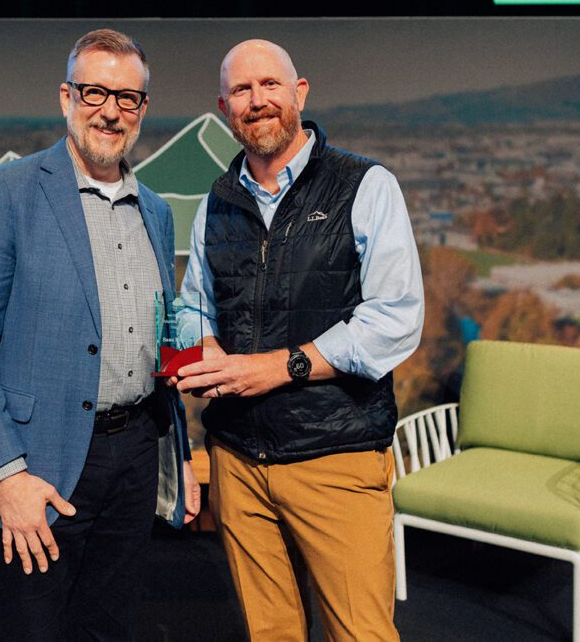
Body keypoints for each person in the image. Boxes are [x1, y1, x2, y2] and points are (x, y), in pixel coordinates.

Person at [0, 28, 200, 641]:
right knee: (35, 630)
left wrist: (178, 458)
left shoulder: (157, 212)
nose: (110, 111)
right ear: (66, 98)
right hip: (39, 465)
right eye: (95, 92)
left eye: (128, 98)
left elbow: (164, 346)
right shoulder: (10, 191)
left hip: (135, 456)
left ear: (142, 110)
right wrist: (7, 474)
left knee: (111, 628)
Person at [175, 39, 424, 641]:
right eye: (241, 90)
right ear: (223, 106)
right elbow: (191, 306)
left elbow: (395, 318)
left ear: (299, 93)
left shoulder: (365, 185)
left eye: (269, 85)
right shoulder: (217, 201)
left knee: (361, 634)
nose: (257, 101)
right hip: (236, 460)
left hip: (335, 457)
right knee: (271, 634)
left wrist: (280, 367)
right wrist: (201, 343)